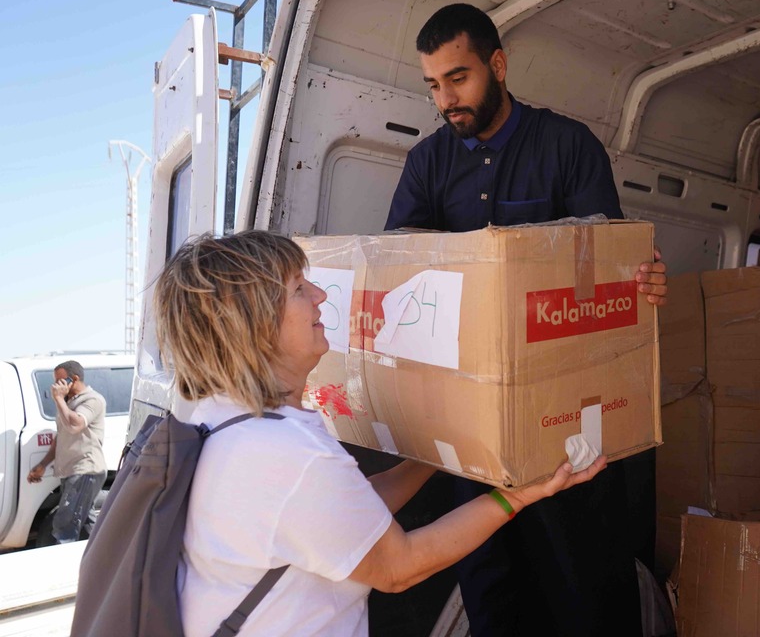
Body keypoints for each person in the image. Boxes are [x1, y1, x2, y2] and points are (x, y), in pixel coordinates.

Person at [156, 230, 604, 637]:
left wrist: (435, 456)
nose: (319, 295)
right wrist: (517, 497)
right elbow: (399, 566)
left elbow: (346, 510)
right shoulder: (287, 455)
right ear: (255, 325)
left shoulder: (225, 422)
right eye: (298, 289)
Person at [385, 3, 668, 637]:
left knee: (583, 591)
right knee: (493, 595)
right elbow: (398, 268)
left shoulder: (568, 145)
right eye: (433, 85)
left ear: (498, 64)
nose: (445, 100)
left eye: (458, 78)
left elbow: (608, 264)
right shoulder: (426, 163)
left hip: (567, 423)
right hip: (472, 430)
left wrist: (643, 278)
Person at [26, 360, 108, 544]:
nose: (56, 386)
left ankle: (61, 562)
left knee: (65, 527)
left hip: (85, 470)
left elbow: (75, 425)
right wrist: (43, 464)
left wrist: (58, 399)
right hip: (72, 471)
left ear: (74, 379)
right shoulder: (69, 403)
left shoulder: (92, 399)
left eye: (60, 381)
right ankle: (105, 556)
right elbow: (61, 436)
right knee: (86, 524)